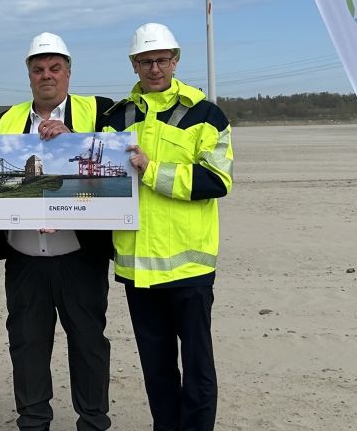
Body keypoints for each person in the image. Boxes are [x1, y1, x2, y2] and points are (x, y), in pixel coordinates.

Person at [101, 24, 234, 431]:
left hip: (188, 271)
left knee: (197, 371)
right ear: (133, 65)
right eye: (145, 61)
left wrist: (151, 170)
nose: (154, 67)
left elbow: (216, 181)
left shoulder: (205, 114)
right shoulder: (116, 117)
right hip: (136, 269)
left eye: (161, 59)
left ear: (175, 61)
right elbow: (98, 181)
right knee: (156, 371)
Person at [0, 32, 115, 431]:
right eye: (38, 69)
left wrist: (73, 140)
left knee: (89, 344)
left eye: (55, 68)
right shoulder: (6, 119)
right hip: (25, 258)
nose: (46, 75)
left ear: (69, 73)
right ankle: (34, 421)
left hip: (79, 255)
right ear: (28, 76)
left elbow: (119, 157)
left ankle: (92, 421)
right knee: (27, 346)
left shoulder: (99, 111)